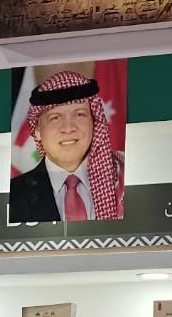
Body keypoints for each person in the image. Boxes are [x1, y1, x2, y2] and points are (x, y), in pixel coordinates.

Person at [8, 69, 126, 224]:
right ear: (37, 131)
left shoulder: (124, 176)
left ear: (94, 122)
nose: (69, 128)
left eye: (79, 114)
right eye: (55, 118)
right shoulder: (12, 196)